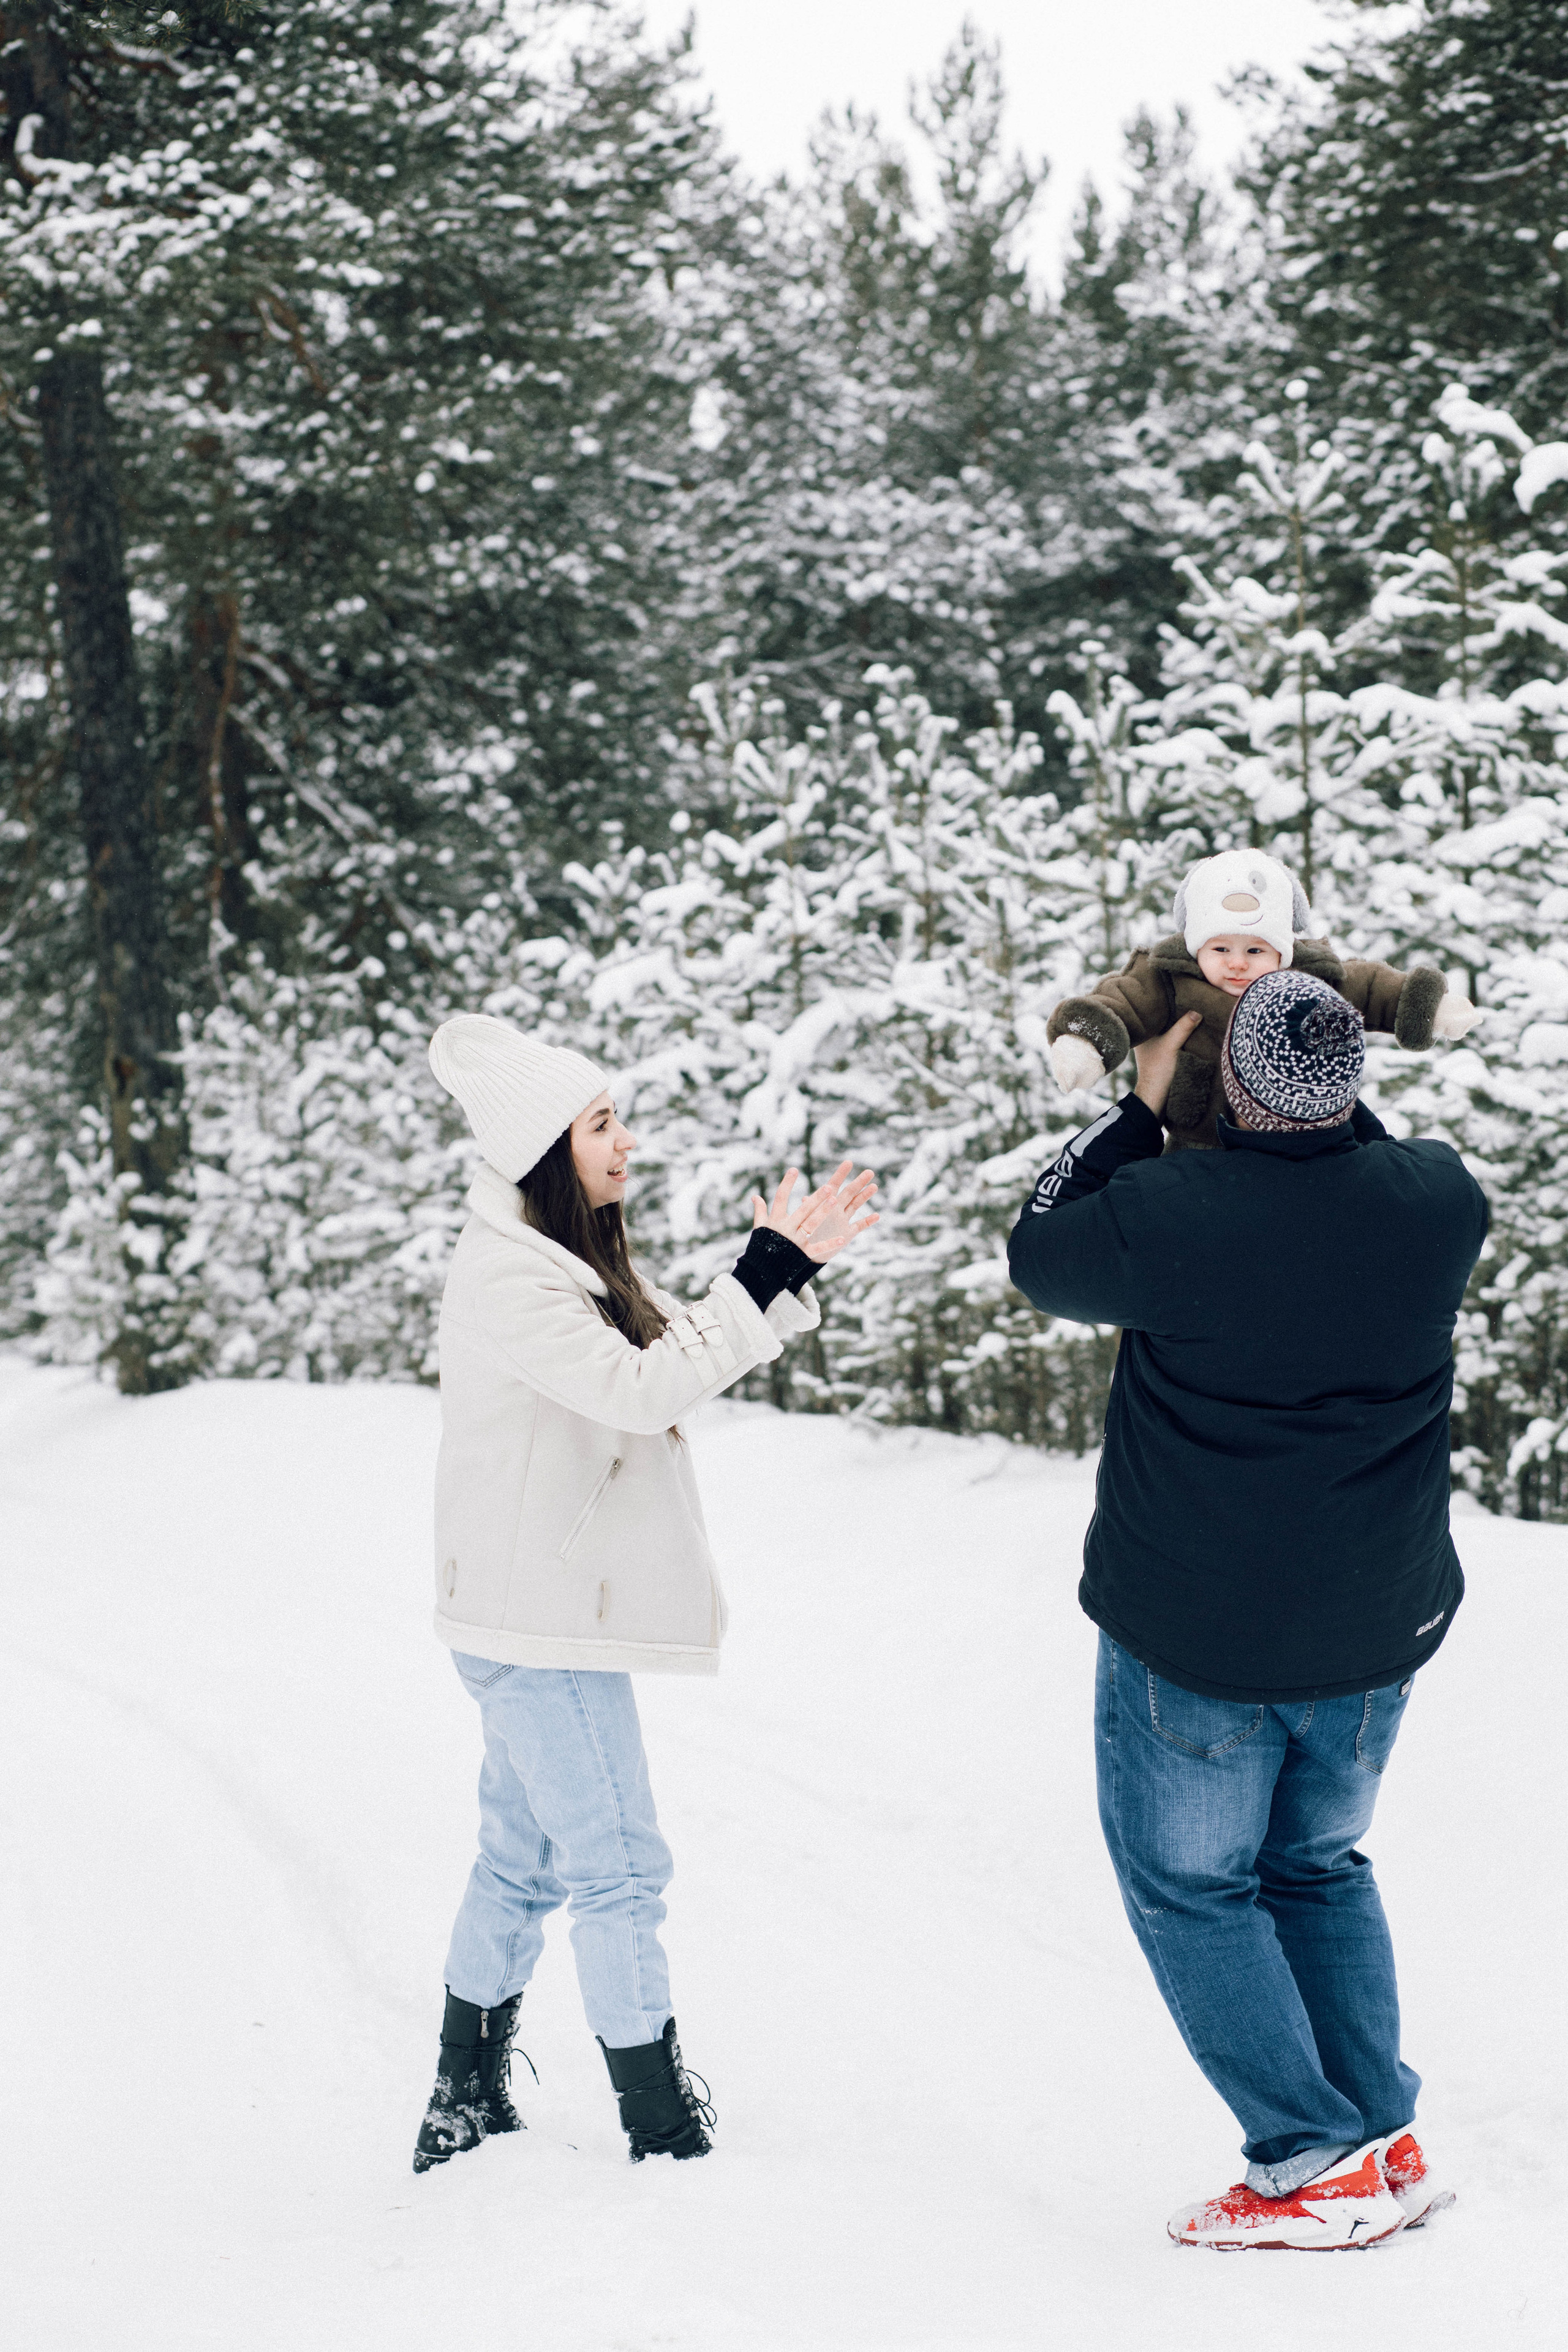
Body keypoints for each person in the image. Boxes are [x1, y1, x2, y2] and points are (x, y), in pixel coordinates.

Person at [1009, 969, 1488, 2250]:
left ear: (1220, 1088)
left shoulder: (1165, 1210)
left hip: (1199, 1645)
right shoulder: (1437, 1200)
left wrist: (1132, 1109)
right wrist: (1305, 1084)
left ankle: (1306, 2159)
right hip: (1375, 1632)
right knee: (1316, 1867)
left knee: (1191, 1889)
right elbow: (1357, 1156)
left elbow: (1036, 1250)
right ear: (1349, 1084)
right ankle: (1380, 2138)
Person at [415, 1012, 877, 2175]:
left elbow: (681, 1341)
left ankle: (461, 2101)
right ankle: (662, 2131)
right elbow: (639, 1388)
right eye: (601, 1125)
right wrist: (761, 1272)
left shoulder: (561, 1254)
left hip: (532, 1611)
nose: (626, 1143)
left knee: (519, 1863)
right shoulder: (511, 1278)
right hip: (539, 1628)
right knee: (619, 1867)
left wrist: (785, 1266)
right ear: (544, 1150)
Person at [1045, 848, 1480, 1149]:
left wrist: (1430, 1006)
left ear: (1281, 951)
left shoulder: (1305, 979)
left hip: (1293, 1143)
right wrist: (1086, 1041)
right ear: (1196, 946)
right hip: (1197, 1143)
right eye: (1220, 950)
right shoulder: (1170, 978)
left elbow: (1369, 986)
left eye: (1254, 951)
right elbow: (1123, 1001)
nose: (1237, 964)